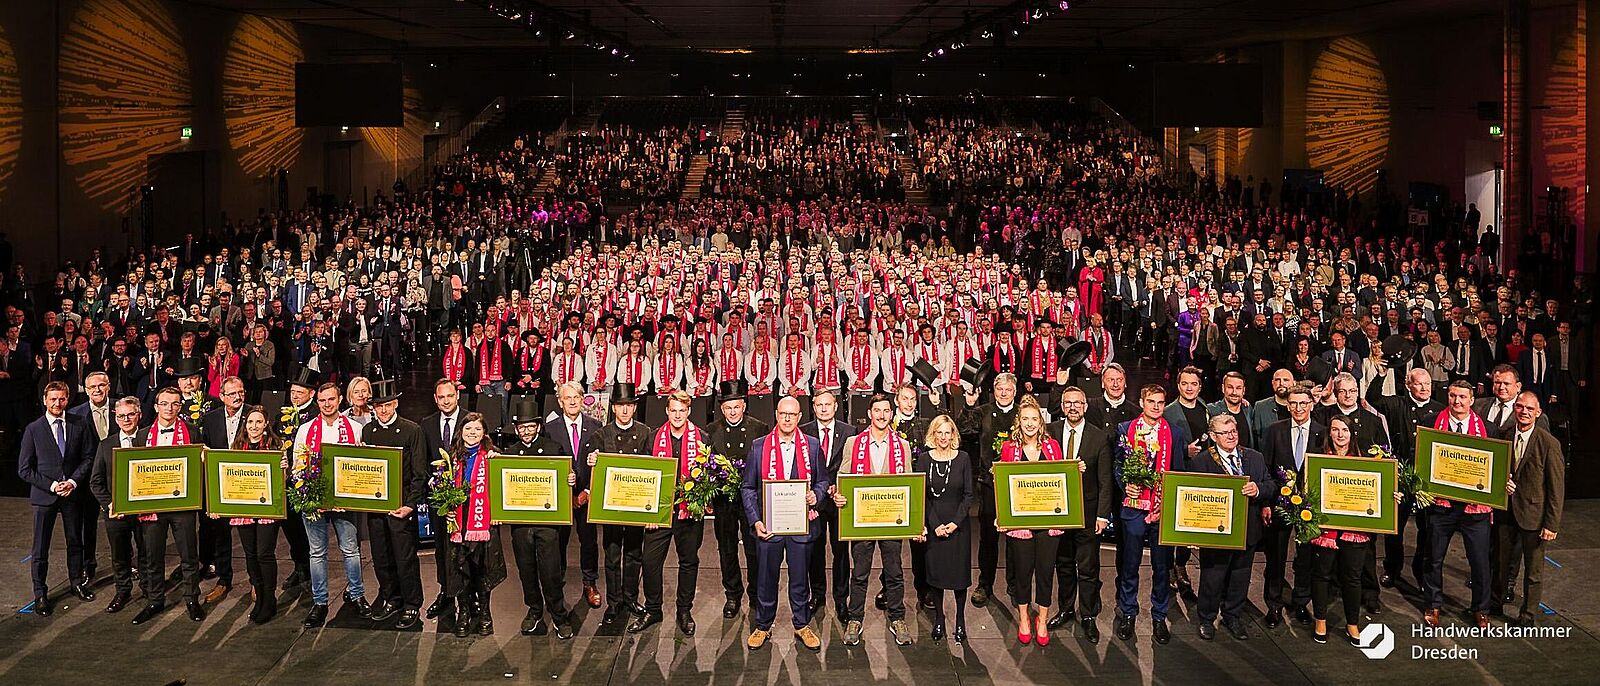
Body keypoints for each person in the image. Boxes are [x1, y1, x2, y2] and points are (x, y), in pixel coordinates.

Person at [742, 395, 828, 651]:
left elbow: (823, 481)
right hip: (769, 528)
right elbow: (748, 487)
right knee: (766, 579)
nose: (788, 419)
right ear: (776, 416)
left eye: (793, 414)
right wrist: (755, 520)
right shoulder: (759, 446)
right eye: (783, 414)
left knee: (800, 579)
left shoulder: (812, 446)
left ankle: (802, 624)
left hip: (801, 526)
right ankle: (763, 625)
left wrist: (817, 495)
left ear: (800, 417)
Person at [833, 392, 914, 646]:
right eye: (876, 411)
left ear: (892, 414)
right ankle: (855, 619)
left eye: (886, 411)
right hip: (862, 519)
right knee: (859, 573)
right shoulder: (853, 443)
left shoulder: (903, 445)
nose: (881, 415)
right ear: (869, 413)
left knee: (894, 572)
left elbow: (909, 484)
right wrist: (838, 494)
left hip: (891, 520)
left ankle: (897, 618)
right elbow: (842, 477)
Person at [1423, 381, 1505, 628]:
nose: (1456, 401)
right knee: (1434, 558)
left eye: (1461, 397)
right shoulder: (1431, 424)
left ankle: (1481, 608)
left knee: (1479, 561)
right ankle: (1433, 605)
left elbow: (1495, 468)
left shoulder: (1489, 429)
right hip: (1442, 506)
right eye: (1452, 396)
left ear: (1472, 400)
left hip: (1475, 509)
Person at [1190, 414, 1274, 641]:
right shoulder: (1202, 462)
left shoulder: (1254, 457)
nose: (1230, 436)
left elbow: (1270, 485)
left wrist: (1258, 490)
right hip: (1216, 532)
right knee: (1212, 577)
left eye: (1233, 431)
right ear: (1214, 436)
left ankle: (1232, 616)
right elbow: (1194, 498)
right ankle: (1207, 618)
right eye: (1224, 433)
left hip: (1248, 529)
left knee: (1240, 576)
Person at [1113, 384, 1184, 644]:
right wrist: (1125, 483)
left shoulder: (1174, 433)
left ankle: (1159, 616)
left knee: (1161, 568)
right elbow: (1118, 464)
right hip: (1133, 507)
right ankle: (1128, 613)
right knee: (1129, 565)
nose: (1156, 406)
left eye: (1160, 402)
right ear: (1141, 402)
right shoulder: (1125, 430)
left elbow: (1179, 471)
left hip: (1162, 508)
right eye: (1151, 401)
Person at [293, 382, 369, 628]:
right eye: (323, 400)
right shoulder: (305, 430)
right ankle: (320, 602)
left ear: (339, 401)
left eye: (331, 400)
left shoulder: (355, 429)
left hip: (343, 502)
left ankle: (357, 595)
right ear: (318, 402)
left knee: (350, 550)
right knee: (317, 553)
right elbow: (297, 466)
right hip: (314, 502)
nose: (327, 404)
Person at [20, 381, 97, 616]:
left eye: (62, 399)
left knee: (75, 542)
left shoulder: (79, 423)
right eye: (53, 399)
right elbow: (24, 469)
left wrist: (72, 482)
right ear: (45, 400)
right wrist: (53, 485)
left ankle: (76, 582)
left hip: (72, 495)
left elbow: (88, 457)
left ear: (68, 399)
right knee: (40, 548)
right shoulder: (33, 429)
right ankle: (40, 593)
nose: (57, 403)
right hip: (45, 497)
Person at [636, 390, 709, 635]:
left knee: (688, 562)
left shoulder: (702, 439)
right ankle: (653, 608)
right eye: (673, 410)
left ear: (688, 411)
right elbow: (644, 477)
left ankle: (684, 610)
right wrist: (649, 514)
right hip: (660, 512)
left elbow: (709, 476)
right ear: (667, 411)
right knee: (650, 561)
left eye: (682, 410)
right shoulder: (653, 437)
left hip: (689, 513)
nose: (677, 415)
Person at [996, 395, 1066, 646]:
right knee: (1023, 574)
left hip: (1049, 522)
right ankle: (1024, 618)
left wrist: (1074, 471)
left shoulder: (1053, 446)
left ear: (1041, 421)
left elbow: (1062, 479)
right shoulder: (1009, 449)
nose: (1029, 423)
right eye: (1025, 419)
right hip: (1021, 524)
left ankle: (1043, 620)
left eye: (1034, 419)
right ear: (1019, 421)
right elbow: (1004, 488)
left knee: (1046, 573)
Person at [502, 399, 576, 640]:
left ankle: (558, 615)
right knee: (526, 570)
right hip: (521, 526)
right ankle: (534, 610)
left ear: (538, 426)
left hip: (548, 525)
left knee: (551, 572)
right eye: (521, 427)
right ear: (516, 429)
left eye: (530, 426)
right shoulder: (509, 454)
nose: (526, 431)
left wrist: (570, 480)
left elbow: (567, 476)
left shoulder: (553, 449)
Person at [359, 381, 429, 631]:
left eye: (387, 405)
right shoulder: (367, 432)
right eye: (378, 406)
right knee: (381, 556)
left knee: (404, 557)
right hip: (377, 506)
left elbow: (420, 472)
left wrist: (411, 505)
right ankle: (391, 597)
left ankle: (412, 602)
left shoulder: (411, 430)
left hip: (401, 506)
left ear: (396, 403)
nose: (383, 410)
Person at [1046, 386, 1114, 643]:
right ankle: (1065, 608)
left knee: (1087, 568)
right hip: (1058, 513)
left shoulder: (1099, 437)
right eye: (1068, 403)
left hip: (1087, 514)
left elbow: (1105, 480)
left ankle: (1088, 615)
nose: (1073, 407)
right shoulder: (1050, 432)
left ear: (1085, 406)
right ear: (1062, 407)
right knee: (1063, 565)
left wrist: (1102, 515)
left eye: (1078, 403)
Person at [1306, 414, 1382, 645]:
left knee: (1352, 578)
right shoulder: (1317, 458)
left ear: (1352, 434)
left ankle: (1352, 623)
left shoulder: (1365, 460)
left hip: (1354, 531)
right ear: (1329, 432)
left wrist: (1391, 498)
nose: (1340, 435)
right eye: (1336, 430)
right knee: (1321, 575)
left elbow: (1379, 490)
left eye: (1345, 430)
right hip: (1325, 530)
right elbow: (1304, 487)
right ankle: (1320, 620)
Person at [134, 386, 206, 624]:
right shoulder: (142, 436)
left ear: (180, 407)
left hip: (183, 505)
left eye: (175, 404)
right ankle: (155, 600)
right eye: (165, 404)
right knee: (153, 555)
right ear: (156, 407)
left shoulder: (193, 432)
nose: (170, 408)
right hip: (153, 505)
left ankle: (192, 599)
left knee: (189, 554)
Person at [585, 383, 652, 630]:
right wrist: (592, 460)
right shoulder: (601, 435)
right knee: (612, 555)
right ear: (613, 408)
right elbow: (592, 468)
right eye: (621, 406)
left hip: (634, 504)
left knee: (634, 554)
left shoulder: (646, 433)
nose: (625, 411)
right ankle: (614, 603)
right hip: (611, 506)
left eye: (629, 406)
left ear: (634, 408)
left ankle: (631, 598)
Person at [1493, 392, 1564, 624]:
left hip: (1534, 516)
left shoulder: (1548, 443)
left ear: (1538, 412)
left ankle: (1527, 614)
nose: (1524, 412)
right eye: (1520, 407)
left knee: (1533, 572)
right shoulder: (1503, 436)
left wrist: (1551, 524)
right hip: (1506, 512)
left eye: (1529, 409)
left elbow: (1556, 488)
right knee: (1501, 563)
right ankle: (1496, 603)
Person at [954, 371, 1021, 608]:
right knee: (988, 537)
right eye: (1000, 389)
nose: (1004, 393)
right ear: (994, 391)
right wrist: (969, 406)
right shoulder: (982, 411)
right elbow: (964, 431)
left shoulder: (1023, 414)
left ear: (1015, 391)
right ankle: (985, 584)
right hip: (988, 483)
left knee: (1016, 536)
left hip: (1017, 485)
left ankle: (1015, 584)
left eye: (1008, 389)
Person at [1260, 383, 1325, 628]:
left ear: (1312, 404)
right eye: (1294, 403)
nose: (1298, 408)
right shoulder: (1274, 430)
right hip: (1279, 504)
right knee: (1275, 557)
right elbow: (1265, 469)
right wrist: (1266, 503)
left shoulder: (1323, 431)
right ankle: (1274, 606)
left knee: (1306, 558)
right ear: (1288, 405)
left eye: (1303, 403)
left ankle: (1300, 603)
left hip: (1310, 508)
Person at [438, 412, 508, 637]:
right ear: (461, 431)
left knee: (481, 569)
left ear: (484, 433)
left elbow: (503, 488)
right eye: (468, 429)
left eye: (477, 429)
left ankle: (485, 613)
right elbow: (441, 487)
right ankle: (464, 613)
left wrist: (498, 512)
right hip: (459, 521)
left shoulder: (493, 456)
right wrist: (447, 508)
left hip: (482, 520)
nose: (472, 433)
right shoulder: (451, 457)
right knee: (462, 569)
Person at [912, 414, 973, 643]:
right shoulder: (925, 459)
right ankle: (939, 618)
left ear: (953, 435)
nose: (943, 437)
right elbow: (923, 496)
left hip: (959, 527)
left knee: (958, 578)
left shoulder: (964, 458)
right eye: (939, 432)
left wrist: (955, 523)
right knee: (936, 577)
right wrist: (935, 525)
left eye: (948, 432)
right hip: (934, 525)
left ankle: (960, 620)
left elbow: (968, 496)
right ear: (933, 434)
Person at [708, 379, 766, 617]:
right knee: (727, 549)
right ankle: (732, 595)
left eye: (736, 406)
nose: (732, 411)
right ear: (722, 409)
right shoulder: (711, 431)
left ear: (744, 405)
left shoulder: (759, 429)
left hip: (750, 501)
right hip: (724, 501)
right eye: (728, 407)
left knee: (754, 550)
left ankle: (755, 594)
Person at [544, 381, 602, 610]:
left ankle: (590, 583)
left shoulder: (595, 426)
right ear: (560, 402)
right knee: (557, 543)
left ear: (582, 399)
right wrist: (566, 494)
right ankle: (556, 583)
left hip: (587, 495)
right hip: (562, 497)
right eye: (567, 398)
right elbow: (548, 464)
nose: (572, 401)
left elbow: (601, 462)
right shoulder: (550, 428)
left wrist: (587, 491)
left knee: (589, 541)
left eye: (576, 397)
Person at [89, 396, 150, 614]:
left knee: (146, 551)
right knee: (120, 554)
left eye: (130, 414)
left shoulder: (148, 439)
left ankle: (147, 588)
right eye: (122, 416)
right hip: (116, 513)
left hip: (145, 510)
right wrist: (110, 505)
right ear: (115, 418)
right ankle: (123, 590)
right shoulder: (106, 445)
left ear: (139, 415)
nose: (126, 419)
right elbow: (95, 482)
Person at [225, 404, 285, 624]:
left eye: (259, 422)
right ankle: (259, 596)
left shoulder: (276, 446)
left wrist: (284, 469)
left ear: (266, 424)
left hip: (267, 509)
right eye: (250, 422)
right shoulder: (237, 446)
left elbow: (282, 482)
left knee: (264, 554)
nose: (254, 426)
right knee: (250, 555)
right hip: (244, 509)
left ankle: (270, 599)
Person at [801, 387, 857, 616]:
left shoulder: (850, 431)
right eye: (819, 405)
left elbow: (853, 464)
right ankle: (817, 595)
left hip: (838, 501)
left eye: (828, 404)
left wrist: (837, 485)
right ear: (813, 408)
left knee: (841, 552)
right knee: (814, 551)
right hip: (814, 501)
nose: (824, 409)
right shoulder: (804, 431)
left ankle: (841, 599)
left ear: (835, 407)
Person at [198, 375, 248, 604]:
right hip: (219, 487)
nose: (237, 397)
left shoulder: (254, 414)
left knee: (250, 538)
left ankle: (256, 582)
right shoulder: (210, 419)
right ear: (222, 396)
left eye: (241, 392)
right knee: (221, 536)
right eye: (232, 393)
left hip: (246, 486)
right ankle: (224, 579)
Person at [421, 377, 467, 620]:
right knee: (441, 548)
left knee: (465, 550)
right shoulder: (427, 424)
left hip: (466, 500)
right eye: (442, 397)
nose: (446, 401)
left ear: (457, 396)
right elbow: (423, 459)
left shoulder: (471, 420)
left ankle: (467, 596)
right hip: (438, 499)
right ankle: (446, 592)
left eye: (450, 396)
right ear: (435, 399)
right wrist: (432, 481)